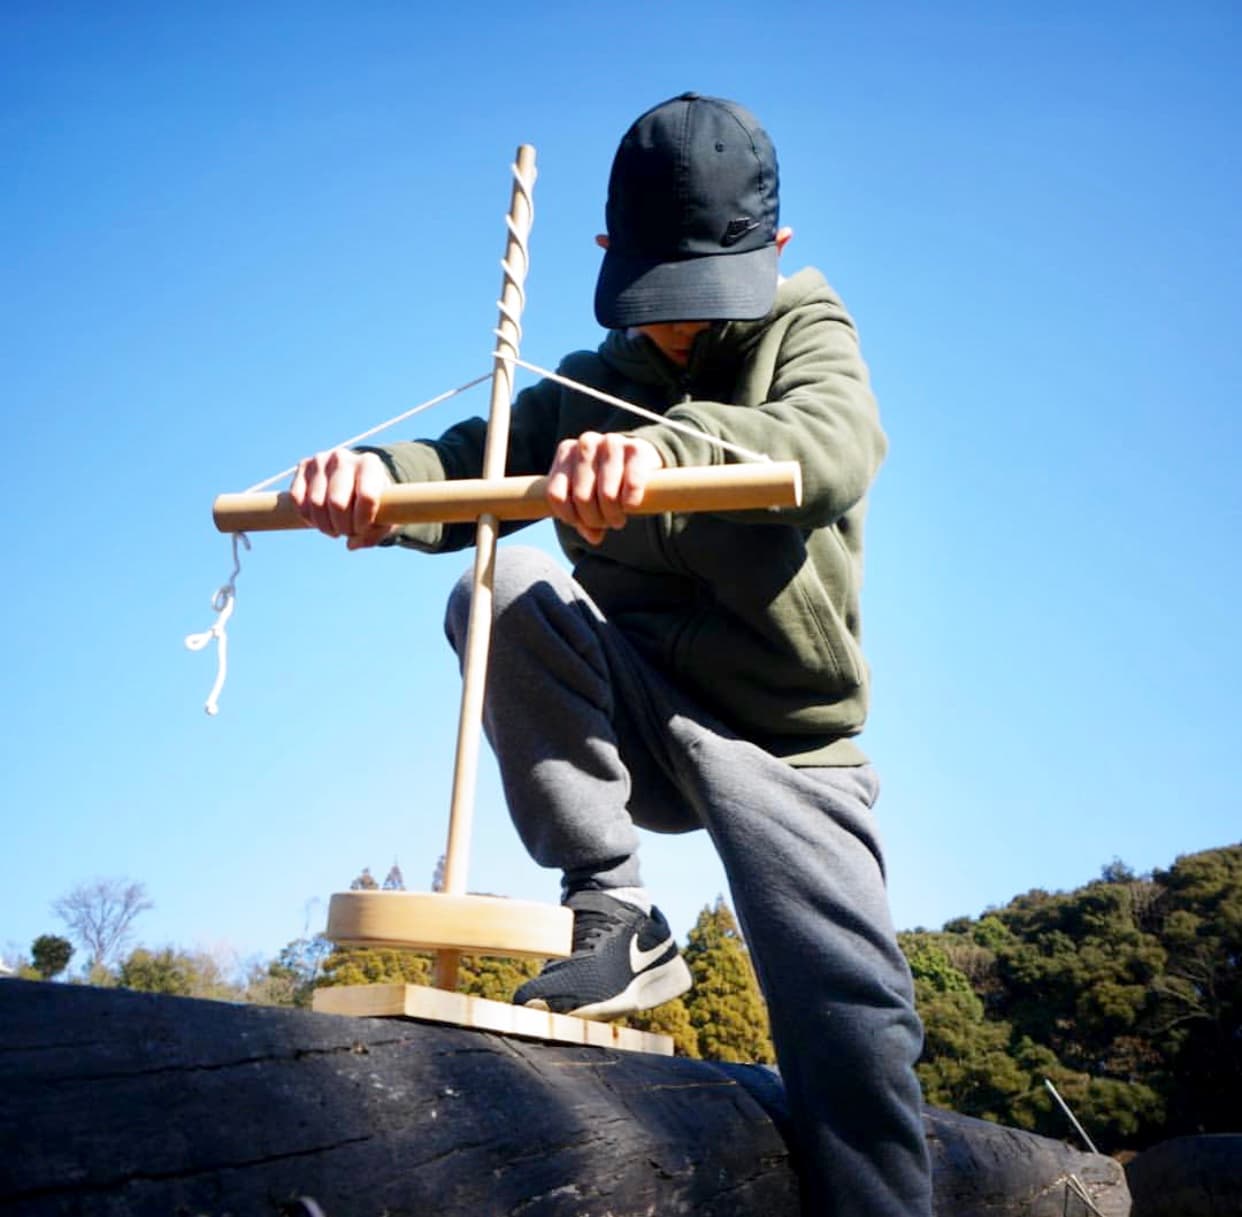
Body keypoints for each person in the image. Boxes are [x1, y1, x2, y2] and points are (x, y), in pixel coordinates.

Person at [291, 92, 933, 1217]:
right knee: (505, 581)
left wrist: (659, 453)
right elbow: (463, 460)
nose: (679, 330)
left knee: (854, 1023)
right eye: (659, 304)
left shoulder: (809, 325)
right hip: (631, 706)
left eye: (706, 302)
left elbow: (831, 446)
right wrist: (372, 481)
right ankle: (614, 906)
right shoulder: (603, 371)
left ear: (775, 252)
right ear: (609, 261)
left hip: (785, 736)